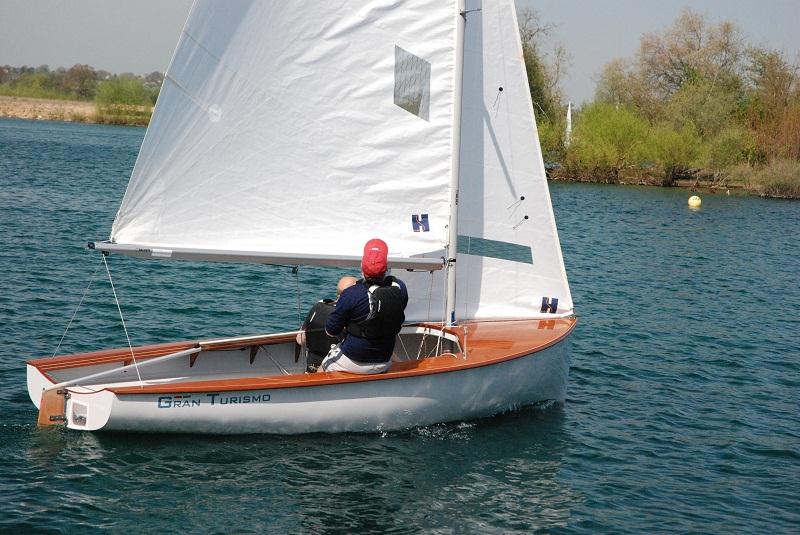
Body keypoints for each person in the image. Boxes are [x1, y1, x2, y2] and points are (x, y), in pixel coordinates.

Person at [319, 238, 408, 374]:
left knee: (323, 367)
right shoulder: (400, 288)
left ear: (362, 266)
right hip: (384, 359)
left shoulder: (351, 294)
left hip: (354, 359)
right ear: (386, 267)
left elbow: (331, 331)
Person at [296, 276, 357, 372]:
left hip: (311, 368)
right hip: (333, 372)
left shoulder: (319, 306)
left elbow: (300, 339)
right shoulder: (351, 314)